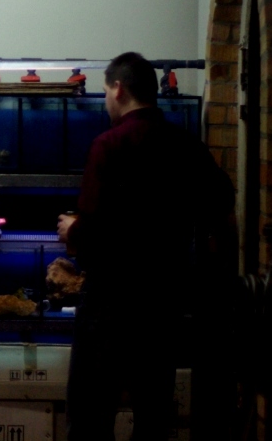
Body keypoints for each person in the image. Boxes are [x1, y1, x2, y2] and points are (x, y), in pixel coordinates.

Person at [57, 52, 236, 441]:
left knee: (90, 417)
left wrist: (73, 230)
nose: (106, 100)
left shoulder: (108, 145)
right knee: (153, 417)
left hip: (108, 302)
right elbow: (222, 199)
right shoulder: (185, 145)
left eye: (106, 91)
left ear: (119, 89)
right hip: (162, 303)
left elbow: (94, 233)